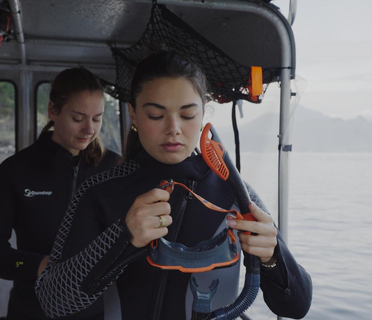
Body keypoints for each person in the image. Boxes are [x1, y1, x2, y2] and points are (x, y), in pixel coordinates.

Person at [35, 51, 312, 320]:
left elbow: (296, 307)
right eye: (156, 115)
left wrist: (272, 257)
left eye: (188, 115)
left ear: (203, 113)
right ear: (133, 113)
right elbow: (53, 302)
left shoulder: (236, 194)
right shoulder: (99, 191)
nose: (173, 128)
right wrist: (123, 237)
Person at [0, 67, 121, 320]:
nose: (89, 129)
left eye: (97, 118)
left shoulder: (114, 168)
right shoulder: (16, 171)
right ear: (53, 110)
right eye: (78, 118)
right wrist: (39, 265)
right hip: (33, 309)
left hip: (94, 312)